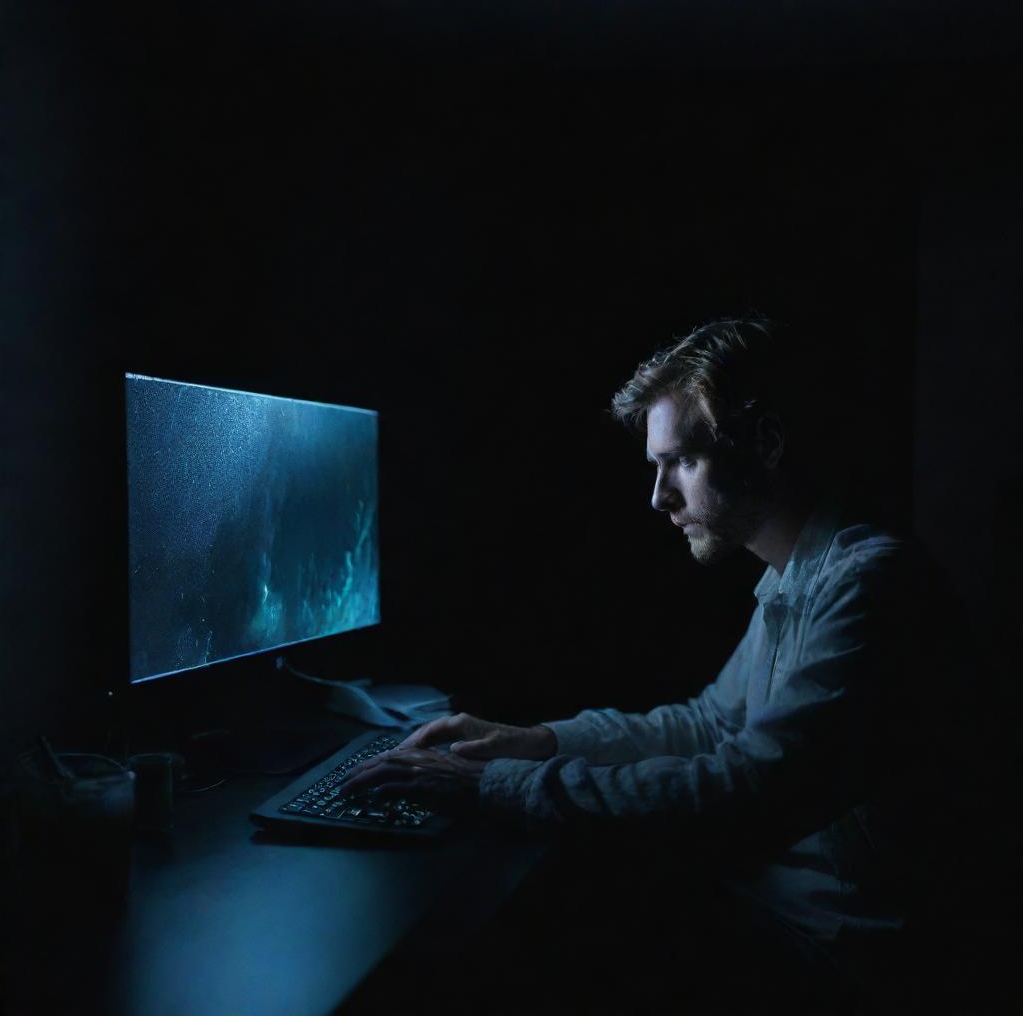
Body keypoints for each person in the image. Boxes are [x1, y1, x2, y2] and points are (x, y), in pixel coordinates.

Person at [339, 317, 975, 1012]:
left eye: (683, 462)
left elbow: (740, 795)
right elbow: (708, 726)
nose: (659, 497)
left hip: (847, 969)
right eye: (657, 467)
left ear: (764, 444)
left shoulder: (869, 587)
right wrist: (539, 742)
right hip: (787, 930)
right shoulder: (800, 579)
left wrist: (497, 785)